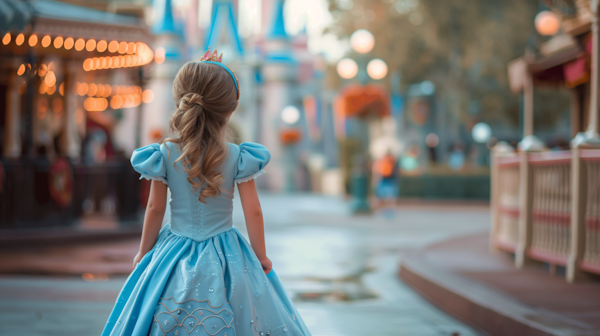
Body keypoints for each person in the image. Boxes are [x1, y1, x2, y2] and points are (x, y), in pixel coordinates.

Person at [102, 50, 311, 336]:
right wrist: (261, 256)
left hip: (173, 251)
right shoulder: (238, 156)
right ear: (231, 108)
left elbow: (154, 209)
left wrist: (144, 252)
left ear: (180, 101)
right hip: (227, 250)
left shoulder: (164, 154)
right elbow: (253, 211)